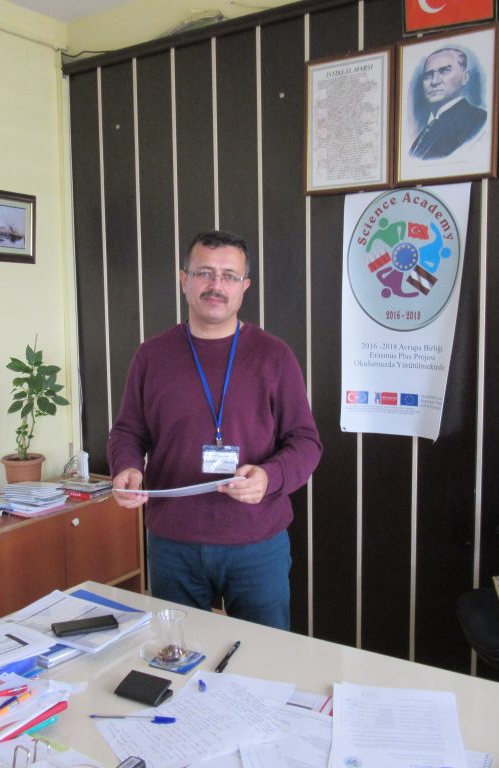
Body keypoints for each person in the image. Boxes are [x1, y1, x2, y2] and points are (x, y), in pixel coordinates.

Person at [108, 230, 322, 631]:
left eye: (228, 275)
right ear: (183, 279)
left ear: (245, 286)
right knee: (178, 657)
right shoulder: (151, 355)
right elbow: (127, 432)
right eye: (204, 273)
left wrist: (269, 476)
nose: (215, 285)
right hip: (173, 540)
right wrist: (127, 467)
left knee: (266, 660)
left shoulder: (274, 356)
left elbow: (306, 441)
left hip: (256, 540)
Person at [409, 47, 487, 160]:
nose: (434, 81)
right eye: (428, 75)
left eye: (444, 71)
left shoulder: (478, 119)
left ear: (465, 77)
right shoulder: (428, 126)